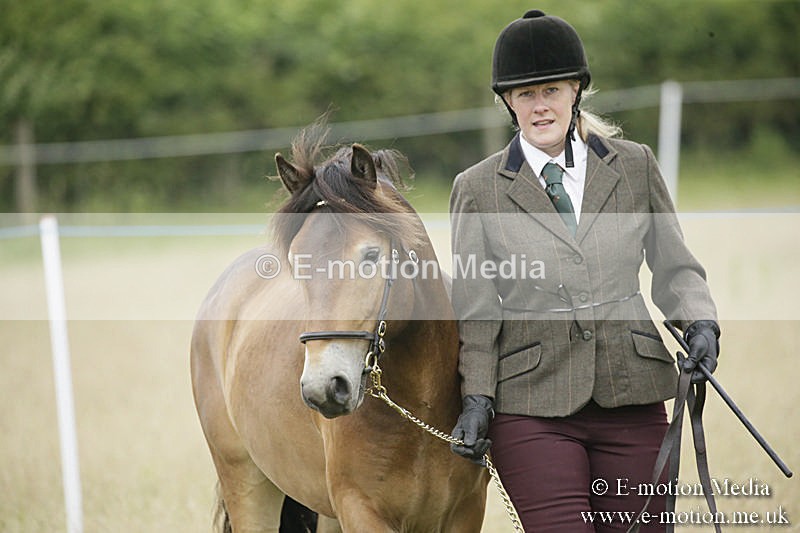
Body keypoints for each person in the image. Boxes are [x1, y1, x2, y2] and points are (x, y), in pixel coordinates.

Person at [448, 9, 720, 532]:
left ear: (576, 90)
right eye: (525, 93)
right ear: (508, 101)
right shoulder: (478, 189)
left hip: (632, 390)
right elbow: (476, 312)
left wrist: (700, 322)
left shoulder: (635, 165)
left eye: (550, 89)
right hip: (531, 406)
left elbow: (676, 267)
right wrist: (477, 399)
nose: (539, 104)